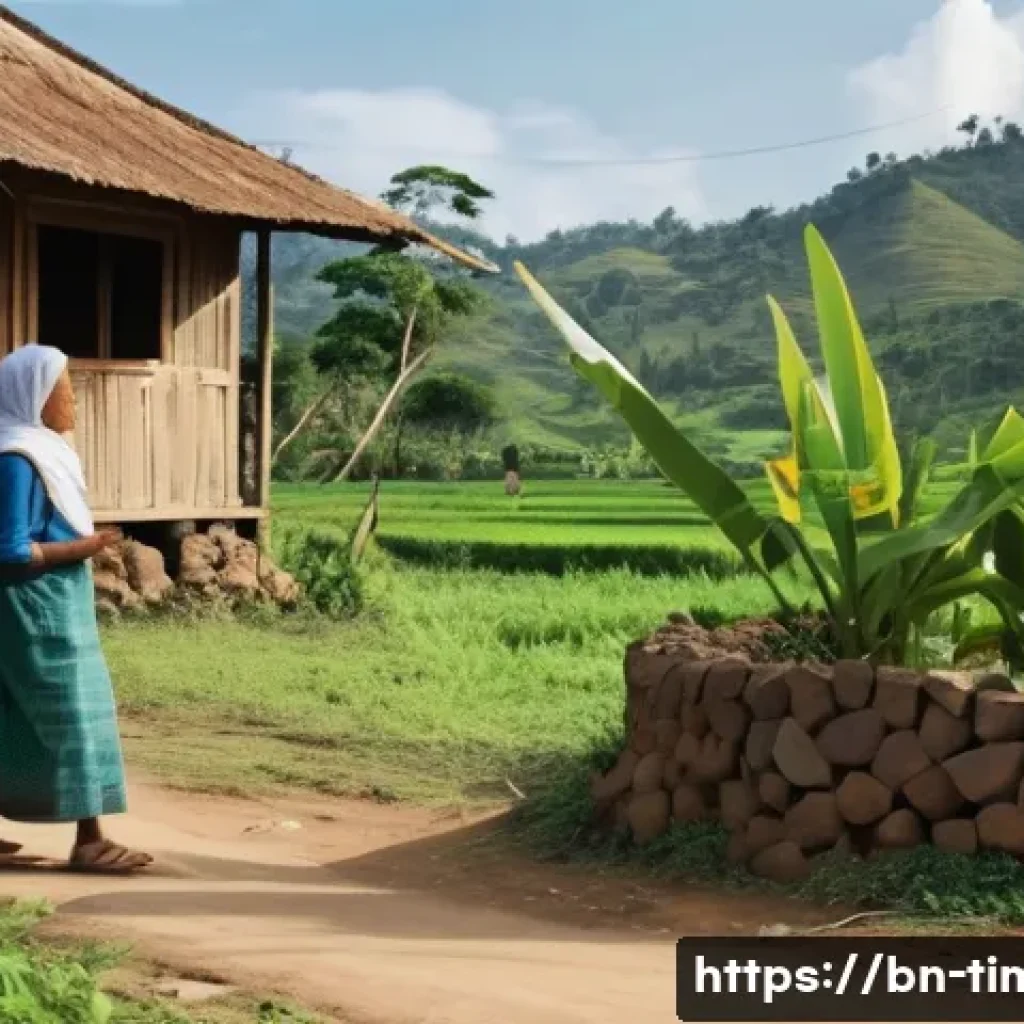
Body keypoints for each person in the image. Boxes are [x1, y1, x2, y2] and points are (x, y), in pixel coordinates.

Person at [0, 344, 151, 873]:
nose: (74, 403)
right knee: (75, 713)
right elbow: (10, 549)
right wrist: (82, 548)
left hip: (50, 601)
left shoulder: (41, 450)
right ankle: (90, 840)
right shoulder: (18, 458)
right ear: (35, 397)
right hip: (36, 606)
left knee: (14, 714)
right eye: (66, 392)